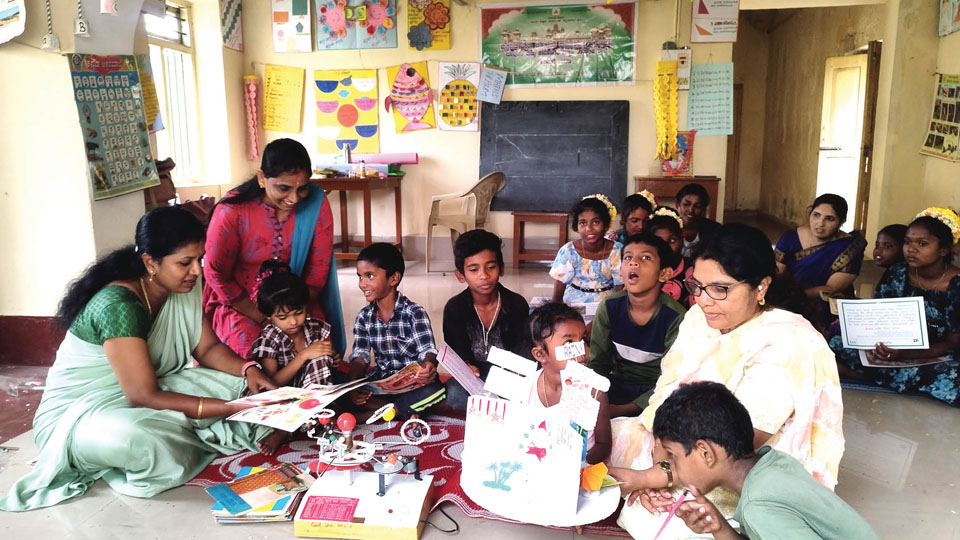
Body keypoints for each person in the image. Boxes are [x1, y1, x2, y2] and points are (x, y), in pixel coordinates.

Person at [0, 207, 277, 512]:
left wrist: (247, 369)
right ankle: (189, 432)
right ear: (150, 262)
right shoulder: (118, 305)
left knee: (241, 385)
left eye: (200, 258)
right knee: (140, 440)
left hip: (148, 388)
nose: (197, 271)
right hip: (79, 414)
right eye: (185, 262)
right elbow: (143, 395)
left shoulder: (181, 284)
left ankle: (197, 426)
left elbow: (207, 349)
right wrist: (227, 409)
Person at [607, 224, 845, 539]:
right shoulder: (699, 319)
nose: (704, 300)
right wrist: (658, 465)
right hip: (677, 449)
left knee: (658, 522)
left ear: (761, 287)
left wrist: (654, 477)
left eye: (720, 288)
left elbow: (735, 447)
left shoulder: (789, 344)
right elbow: (665, 396)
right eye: (697, 286)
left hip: (729, 473)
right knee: (599, 439)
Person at [644, 382, 880, 540]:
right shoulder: (774, 463)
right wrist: (720, 528)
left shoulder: (759, 506)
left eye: (672, 457)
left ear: (705, 453)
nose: (671, 467)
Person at [204, 138, 345, 360]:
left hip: (298, 302)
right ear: (262, 178)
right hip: (240, 305)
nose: (294, 198)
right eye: (283, 188)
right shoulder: (232, 211)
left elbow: (318, 271)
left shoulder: (316, 202)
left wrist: (294, 315)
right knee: (259, 359)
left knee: (323, 357)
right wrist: (262, 316)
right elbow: (215, 273)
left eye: (302, 189)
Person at [831, 209, 960, 406]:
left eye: (922, 244)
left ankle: (862, 375)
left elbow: (952, 342)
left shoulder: (956, 285)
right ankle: (884, 375)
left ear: (943, 249)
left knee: (951, 377)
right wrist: (879, 346)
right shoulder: (897, 273)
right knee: (836, 343)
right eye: (908, 242)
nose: (911, 249)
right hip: (893, 346)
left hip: (936, 354)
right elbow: (880, 314)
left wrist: (904, 354)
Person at [589, 232, 686, 417]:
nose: (634, 263)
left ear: (664, 273)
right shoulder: (609, 307)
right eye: (628, 258)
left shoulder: (676, 317)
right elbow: (598, 363)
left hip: (657, 392)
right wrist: (596, 397)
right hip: (616, 384)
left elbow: (671, 380)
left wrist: (621, 410)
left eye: (645, 258)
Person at [348, 243, 446, 418]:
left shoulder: (414, 313)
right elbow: (360, 356)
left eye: (369, 276)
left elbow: (427, 351)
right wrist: (354, 386)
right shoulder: (364, 316)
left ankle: (380, 412)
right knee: (345, 390)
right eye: (360, 277)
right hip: (381, 383)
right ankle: (401, 410)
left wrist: (428, 366)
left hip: (415, 383)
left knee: (437, 391)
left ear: (393, 278)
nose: (362, 284)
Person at [442, 230, 533, 409]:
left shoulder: (516, 304)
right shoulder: (455, 308)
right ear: (461, 275)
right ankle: (493, 404)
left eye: (490, 267)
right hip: (475, 377)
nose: (483, 275)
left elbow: (522, 349)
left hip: (508, 375)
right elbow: (456, 351)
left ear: (501, 268)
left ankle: (490, 405)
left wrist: (514, 374)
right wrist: (466, 365)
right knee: (453, 394)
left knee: (530, 389)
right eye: (474, 270)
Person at [526, 303, 611, 465]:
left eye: (584, 340)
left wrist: (579, 464)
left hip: (579, 470)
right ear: (540, 354)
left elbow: (603, 444)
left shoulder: (595, 391)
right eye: (568, 344)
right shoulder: (526, 388)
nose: (582, 351)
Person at [249, 260, 338, 388]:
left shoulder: (314, 328)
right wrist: (303, 355)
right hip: (280, 397)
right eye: (283, 317)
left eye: (298, 312)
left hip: (312, 395)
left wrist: (332, 357)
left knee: (321, 359)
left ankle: (317, 405)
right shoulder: (269, 340)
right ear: (269, 316)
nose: (293, 322)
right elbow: (269, 384)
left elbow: (324, 358)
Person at [775, 193, 867, 299]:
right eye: (816, 215)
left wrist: (793, 299)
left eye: (830, 219)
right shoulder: (790, 238)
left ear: (841, 222)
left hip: (824, 301)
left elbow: (831, 288)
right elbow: (777, 274)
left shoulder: (850, 248)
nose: (820, 223)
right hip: (786, 298)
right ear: (810, 214)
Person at [550, 195, 623, 304]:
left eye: (596, 222)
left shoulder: (617, 250)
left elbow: (620, 289)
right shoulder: (568, 251)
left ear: (605, 225)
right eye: (583, 223)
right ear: (577, 227)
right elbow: (557, 296)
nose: (589, 228)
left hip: (607, 306)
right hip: (573, 306)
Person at [648, 207, 692, 307]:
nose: (666, 247)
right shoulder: (643, 267)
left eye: (672, 241)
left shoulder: (691, 271)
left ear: (681, 240)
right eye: (659, 241)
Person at [675, 183, 722, 261]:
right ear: (677, 204)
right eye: (686, 204)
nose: (691, 210)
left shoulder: (714, 230)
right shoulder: (670, 227)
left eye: (698, 206)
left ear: (704, 209)